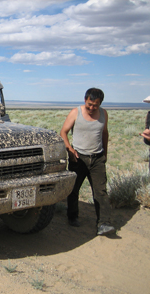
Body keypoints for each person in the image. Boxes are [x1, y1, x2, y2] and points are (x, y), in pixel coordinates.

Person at [60, 88, 115, 236]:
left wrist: (105, 153)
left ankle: (104, 223)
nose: (92, 108)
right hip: (78, 158)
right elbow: (63, 132)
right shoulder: (75, 112)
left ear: (100, 104)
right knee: (73, 189)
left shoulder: (103, 114)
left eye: (95, 105)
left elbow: (104, 133)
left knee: (101, 192)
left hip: (97, 158)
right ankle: (72, 216)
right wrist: (70, 150)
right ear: (85, 100)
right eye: (90, 104)